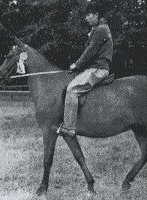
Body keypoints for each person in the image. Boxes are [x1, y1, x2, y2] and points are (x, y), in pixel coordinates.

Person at [53, 2, 113, 137]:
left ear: (96, 14)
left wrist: (77, 65)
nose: (86, 18)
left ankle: (69, 128)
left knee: (71, 89)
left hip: (98, 69)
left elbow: (90, 51)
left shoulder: (100, 29)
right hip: (95, 67)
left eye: (88, 15)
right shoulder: (100, 29)